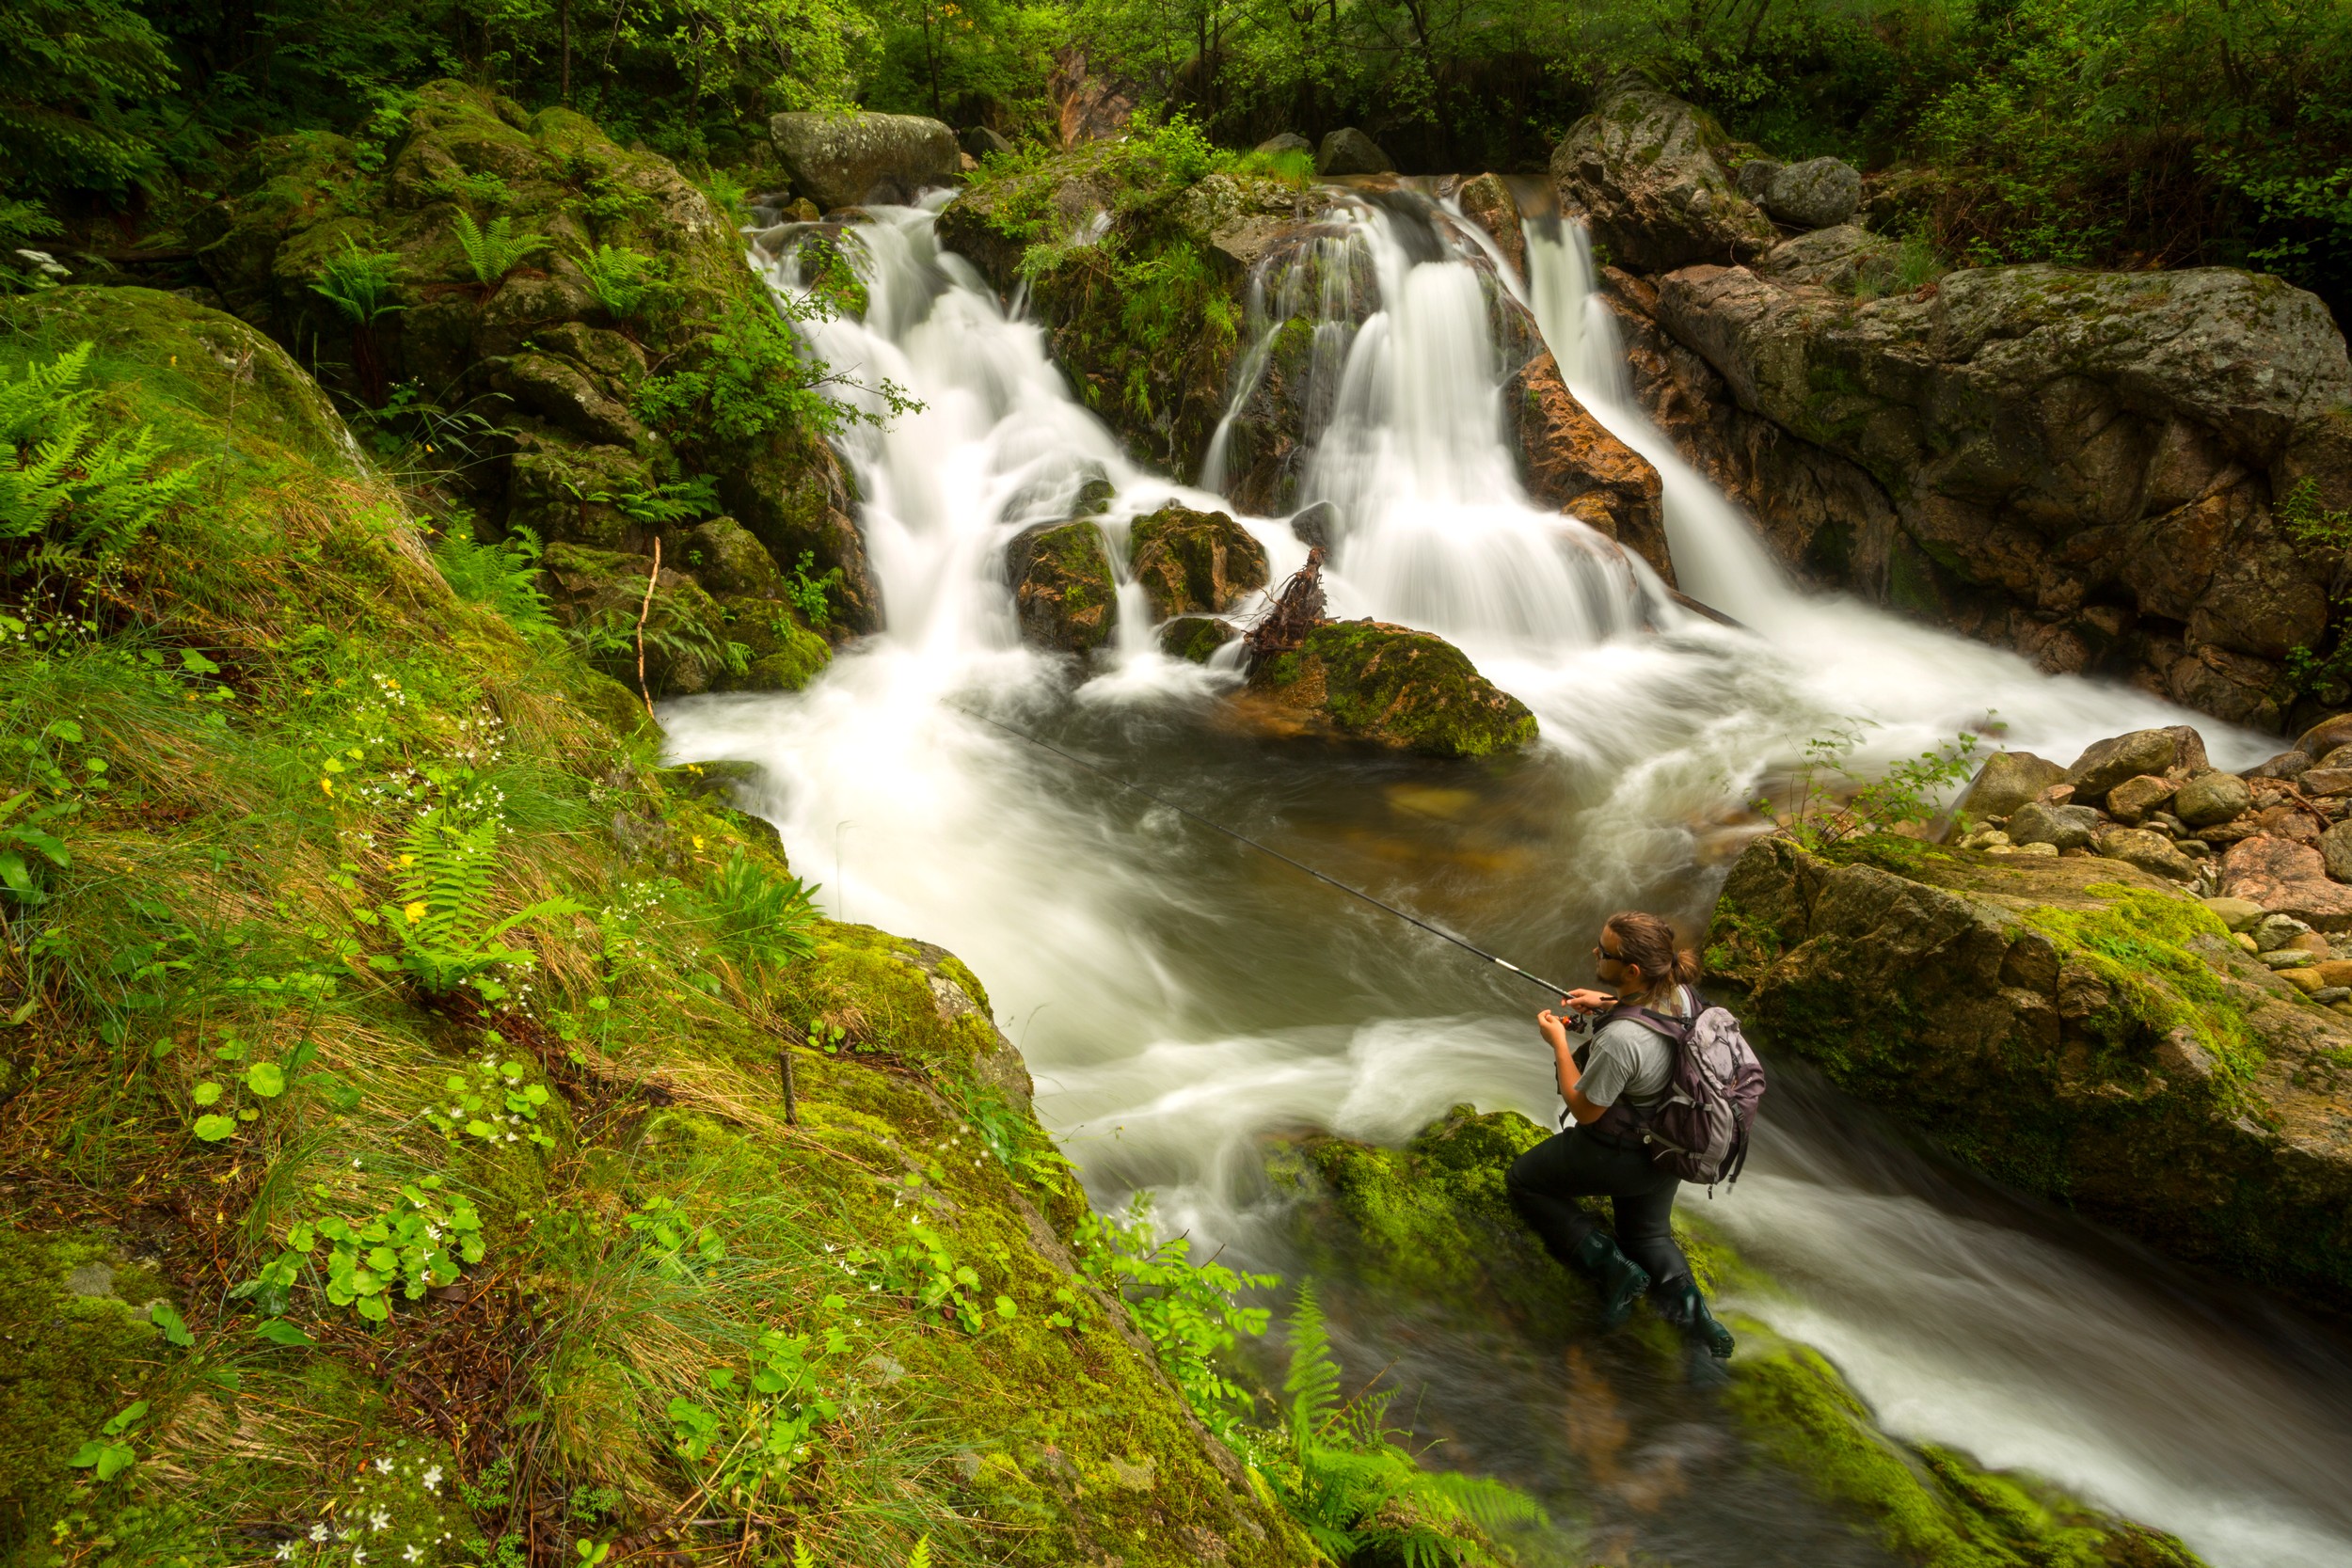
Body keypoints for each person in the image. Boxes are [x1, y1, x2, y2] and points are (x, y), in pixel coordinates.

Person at [1505, 911, 1736, 1359]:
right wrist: (1609, 1003)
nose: (1595, 951)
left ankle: (1613, 1270)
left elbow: (1586, 1110)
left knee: (1524, 1182)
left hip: (1618, 1155)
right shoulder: (1684, 995)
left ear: (1632, 970)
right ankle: (1696, 1318)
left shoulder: (1622, 1042)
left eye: (1604, 950)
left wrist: (1557, 1042)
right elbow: (1656, 1021)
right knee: (1648, 1236)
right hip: (1671, 1149)